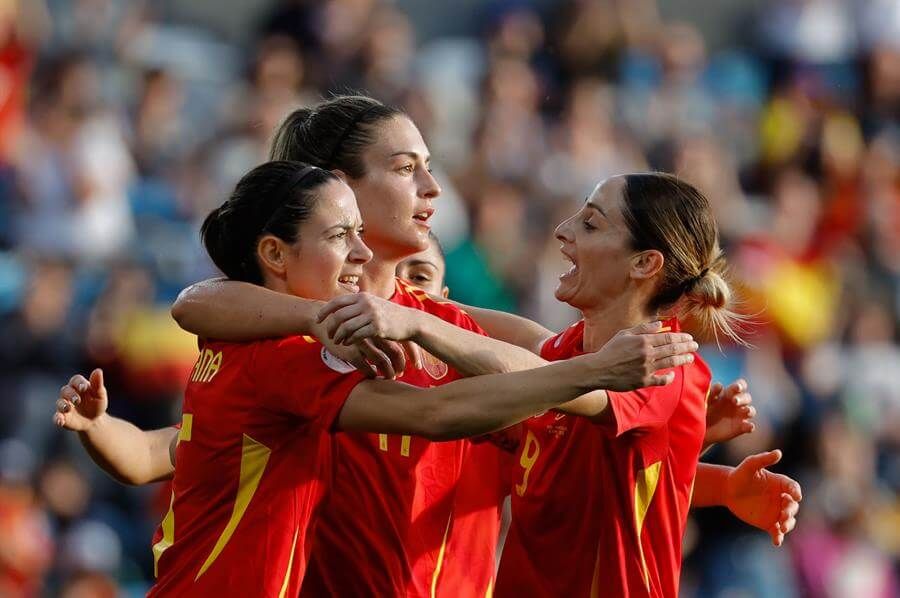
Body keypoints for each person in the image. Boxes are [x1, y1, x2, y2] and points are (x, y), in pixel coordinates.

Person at [56, 160, 699, 596]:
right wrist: (586, 370)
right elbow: (438, 414)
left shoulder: (300, 343)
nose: (363, 258)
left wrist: (703, 473)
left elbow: (565, 454)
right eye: (343, 234)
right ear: (276, 253)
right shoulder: (290, 355)